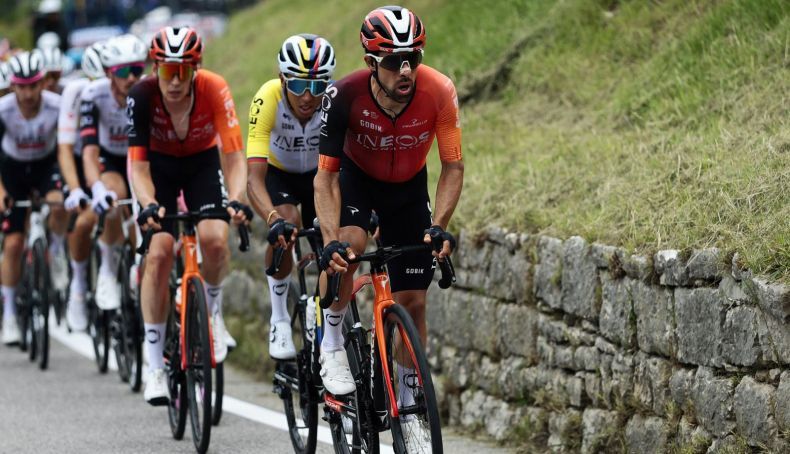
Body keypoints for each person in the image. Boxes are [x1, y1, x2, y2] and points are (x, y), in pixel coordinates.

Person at [314, 4, 463, 420]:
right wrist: (329, 242)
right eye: (394, 62)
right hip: (357, 179)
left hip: (409, 188)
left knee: (413, 298)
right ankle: (331, 340)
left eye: (413, 58)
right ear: (370, 63)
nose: (406, 71)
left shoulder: (439, 91)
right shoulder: (344, 95)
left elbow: (453, 165)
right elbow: (325, 180)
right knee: (352, 244)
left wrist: (440, 225)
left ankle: (406, 389)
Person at [128, 26, 252, 405]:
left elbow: (233, 154)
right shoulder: (142, 94)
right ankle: (153, 365)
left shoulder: (214, 88)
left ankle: (211, 313)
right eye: (168, 71)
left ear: (196, 69)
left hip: (201, 163)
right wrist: (148, 203)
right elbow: (137, 166)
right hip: (158, 169)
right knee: (160, 253)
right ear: (156, 70)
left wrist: (235, 198)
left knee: (215, 241)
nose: (176, 81)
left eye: (184, 71)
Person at [246, 33, 335, 360]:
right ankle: (280, 317)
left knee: (333, 242)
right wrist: (272, 219)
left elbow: (349, 166)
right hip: (278, 174)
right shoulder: (267, 97)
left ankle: (325, 316)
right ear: (283, 80)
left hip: (318, 179)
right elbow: (253, 179)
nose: (309, 97)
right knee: (287, 221)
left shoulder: (333, 101)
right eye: (298, 86)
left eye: (318, 85)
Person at [0, 50, 67, 345]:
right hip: (12, 170)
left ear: (42, 83)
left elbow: (67, 148)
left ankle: (56, 250)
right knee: (13, 243)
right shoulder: (2, 110)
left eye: (33, 85)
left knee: (59, 203)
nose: (28, 93)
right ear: (12, 86)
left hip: (45, 165)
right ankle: (11, 313)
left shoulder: (58, 105)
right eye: (21, 86)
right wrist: (1, 193)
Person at [57, 41, 106, 330]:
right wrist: (75, 189)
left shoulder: (128, 88)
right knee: (85, 219)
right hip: (79, 158)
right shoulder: (75, 92)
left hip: (112, 157)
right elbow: (64, 148)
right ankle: (77, 282)